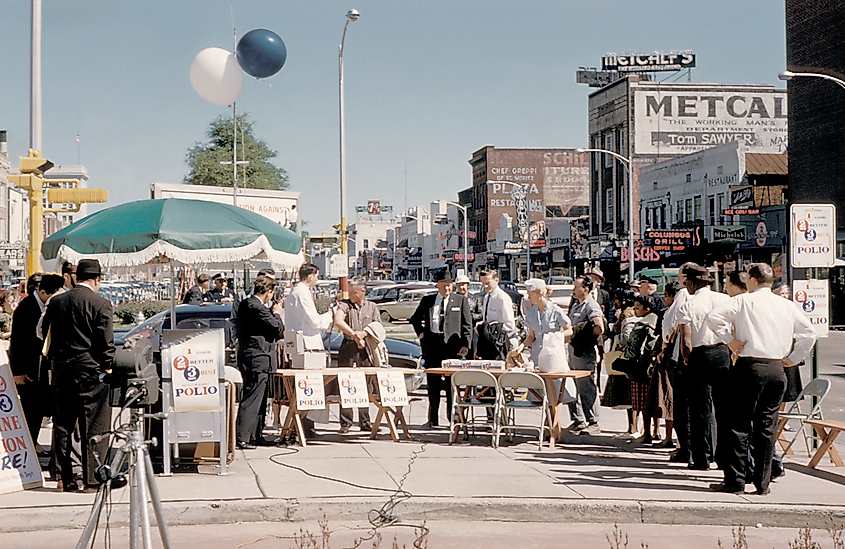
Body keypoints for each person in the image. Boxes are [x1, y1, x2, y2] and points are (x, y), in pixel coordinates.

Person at [706, 263, 817, 495]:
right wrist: (793, 358)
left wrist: (729, 340)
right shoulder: (786, 305)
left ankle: (736, 480)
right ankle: (763, 483)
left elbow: (713, 317)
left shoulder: (743, 301)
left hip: (749, 365)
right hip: (777, 367)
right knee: (767, 427)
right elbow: (809, 333)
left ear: (752, 280)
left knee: (738, 424)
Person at [41, 259, 115, 492]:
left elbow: (44, 332)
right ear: (97, 279)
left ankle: (65, 478)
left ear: (76, 277)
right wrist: (108, 366)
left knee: (62, 424)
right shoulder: (101, 303)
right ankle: (93, 479)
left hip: (61, 368)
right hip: (90, 369)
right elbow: (106, 342)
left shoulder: (56, 302)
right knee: (94, 424)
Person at [677, 264, 732, 470]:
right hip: (723, 352)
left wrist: (687, 360)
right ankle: (724, 456)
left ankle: (702, 457)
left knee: (700, 410)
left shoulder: (688, 305)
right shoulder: (724, 299)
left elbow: (686, 341)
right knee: (723, 408)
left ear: (691, 284)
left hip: (700, 355)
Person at [410, 270, 471, 428]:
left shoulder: (460, 300)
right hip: (433, 345)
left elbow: (467, 324)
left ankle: (452, 418)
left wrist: (466, 344)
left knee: (451, 384)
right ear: (437, 285)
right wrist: (421, 333)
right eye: (444, 286)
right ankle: (432, 418)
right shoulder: (428, 300)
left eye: (449, 285)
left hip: (452, 346)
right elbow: (415, 318)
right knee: (433, 383)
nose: (447, 289)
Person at [10, 274, 63, 450]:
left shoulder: (49, 306)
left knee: (40, 411)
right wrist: (17, 372)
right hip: (28, 370)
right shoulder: (25, 308)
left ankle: (33, 446)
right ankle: (28, 449)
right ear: (41, 291)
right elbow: (17, 341)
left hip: (43, 370)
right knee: (30, 413)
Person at [235, 275, 284, 449]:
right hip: (258, 357)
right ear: (269, 292)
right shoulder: (256, 307)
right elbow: (277, 328)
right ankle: (243, 437)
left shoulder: (246, 304)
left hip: (254, 357)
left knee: (261, 398)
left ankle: (255, 434)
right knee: (252, 398)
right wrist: (276, 312)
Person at [284, 263, 333, 438]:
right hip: (307, 345)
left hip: (302, 343)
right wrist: (328, 316)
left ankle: (306, 425)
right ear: (311, 276)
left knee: (306, 388)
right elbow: (313, 321)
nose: (317, 280)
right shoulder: (301, 293)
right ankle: (305, 426)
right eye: (317, 276)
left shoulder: (295, 292)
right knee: (309, 388)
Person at [332, 277, 379, 433]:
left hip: (366, 349)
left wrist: (364, 334)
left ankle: (365, 421)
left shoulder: (372, 307)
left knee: (366, 385)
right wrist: (353, 335)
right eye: (350, 292)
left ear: (363, 292)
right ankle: (345, 423)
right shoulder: (345, 305)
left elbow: (378, 327)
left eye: (354, 292)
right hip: (348, 347)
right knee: (346, 383)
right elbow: (338, 320)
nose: (351, 295)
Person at [659, 263, 694, 463]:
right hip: (708, 353)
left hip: (683, 353)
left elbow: (670, 320)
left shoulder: (682, 295)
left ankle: (684, 447)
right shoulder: (714, 296)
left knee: (683, 404)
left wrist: (665, 343)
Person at [617, 295, 659, 444]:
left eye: (637, 307)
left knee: (643, 403)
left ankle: (646, 433)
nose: (635, 310)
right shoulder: (659, 320)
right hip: (655, 367)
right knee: (656, 400)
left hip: (640, 369)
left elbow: (633, 350)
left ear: (646, 309)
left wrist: (625, 351)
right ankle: (657, 431)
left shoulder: (642, 325)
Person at [566, 275, 604, 435]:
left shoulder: (590, 305)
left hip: (585, 353)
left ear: (585, 289)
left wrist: (585, 334)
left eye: (576, 287)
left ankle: (593, 421)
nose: (573, 290)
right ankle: (578, 420)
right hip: (573, 351)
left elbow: (599, 327)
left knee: (586, 387)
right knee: (574, 388)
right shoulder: (576, 305)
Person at [646, 281, 681, 448]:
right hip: (672, 358)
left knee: (666, 399)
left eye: (666, 296)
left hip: (667, 359)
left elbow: (662, 337)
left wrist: (660, 352)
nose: (664, 299)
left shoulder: (667, 313)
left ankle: (668, 437)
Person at [476, 269, 517, 360]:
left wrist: (490, 329)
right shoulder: (487, 297)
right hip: (488, 344)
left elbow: (510, 326)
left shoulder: (502, 298)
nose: (485, 286)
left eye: (488, 283)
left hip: (500, 345)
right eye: (483, 283)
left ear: (496, 281)